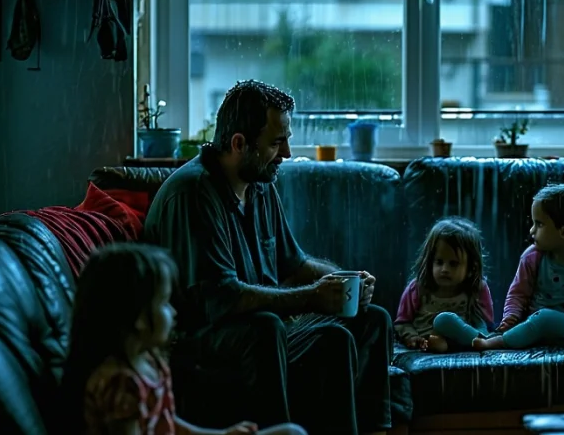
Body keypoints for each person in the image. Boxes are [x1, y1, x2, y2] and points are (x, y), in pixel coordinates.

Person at [143, 80, 393, 435]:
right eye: (277, 142)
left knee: (370, 319)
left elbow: (295, 265)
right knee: (266, 328)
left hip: (263, 329)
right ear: (239, 143)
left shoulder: (259, 184)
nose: (287, 153)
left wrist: (344, 283)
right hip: (201, 338)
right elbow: (221, 299)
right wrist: (312, 297)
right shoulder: (193, 194)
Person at [60, 243, 306, 435]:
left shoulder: (152, 362)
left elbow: (169, 424)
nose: (173, 312)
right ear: (139, 319)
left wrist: (221, 433)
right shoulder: (121, 384)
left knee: (292, 432)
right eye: (165, 303)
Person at [472, 183, 564, 350]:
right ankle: (516, 333)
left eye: (539, 224)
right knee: (542, 319)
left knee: (545, 318)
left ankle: (498, 342)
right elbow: (518, 294)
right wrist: (510, 318)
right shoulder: (532, 257)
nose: (531, 231)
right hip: (536, 325)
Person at [394, 217, 494, 353]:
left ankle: (478, 343)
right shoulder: (418, 288)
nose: (445, 269)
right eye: (439, 262)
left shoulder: (476, 289)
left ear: (471, 267)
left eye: (453, 264)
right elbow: (402, 322)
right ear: (430, 261)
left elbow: (485, 323)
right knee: (436, 340)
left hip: (463, 343)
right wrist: (412, 337)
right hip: (427, 341)